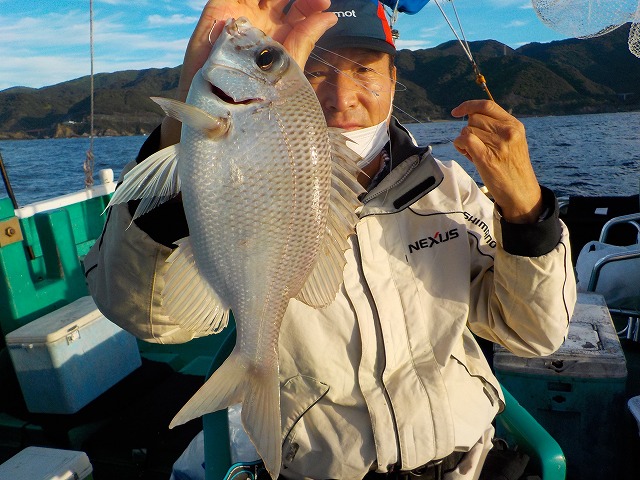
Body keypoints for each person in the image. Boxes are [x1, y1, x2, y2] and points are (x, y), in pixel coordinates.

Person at [84, 0, 577, 478]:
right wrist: (183, 139)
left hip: (471, 462)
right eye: (316, 71)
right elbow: (149, 320)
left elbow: (533, 335)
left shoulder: (452, 191)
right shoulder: (233, 179)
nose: (342, 98)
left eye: (363, 70)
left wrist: (527, 213)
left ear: (394, 79)